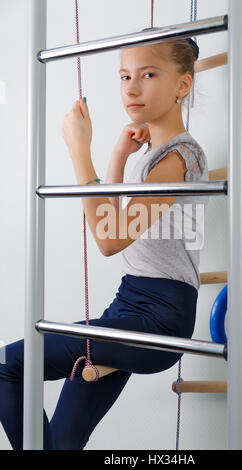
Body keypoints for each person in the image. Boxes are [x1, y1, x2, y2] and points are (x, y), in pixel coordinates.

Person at [0, 36, 208, 450]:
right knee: (60, 442)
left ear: (182, 86)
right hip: (130, 307)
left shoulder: (179, 157)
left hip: (157, 321)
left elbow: (109, 240)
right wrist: (117, 156)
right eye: (125, 76)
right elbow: (115, 226)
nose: (131, 88)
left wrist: (80, 150)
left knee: (7, 366)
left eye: (148, 75)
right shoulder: (158, 154)